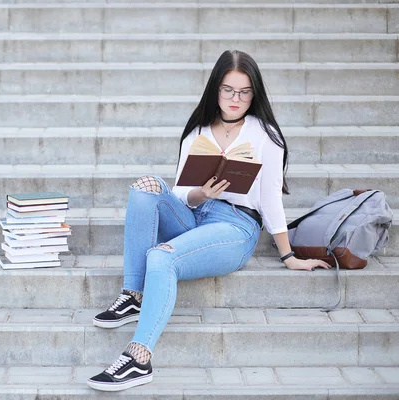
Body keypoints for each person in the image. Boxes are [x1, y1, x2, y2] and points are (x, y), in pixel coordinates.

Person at [86, 50, 332, 392]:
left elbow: (270, 197)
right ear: (215, 89)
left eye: (244, 91)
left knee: (160, 255)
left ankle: (139, 358)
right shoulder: (198, 130)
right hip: (195, 215)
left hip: (235, 226)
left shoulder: (265, 134)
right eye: (228, 90)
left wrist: (288, 256)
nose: (236, 99)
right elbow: (181, 192)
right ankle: (133, 293)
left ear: (254, 93)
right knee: (147, 186)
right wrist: (202, 193)